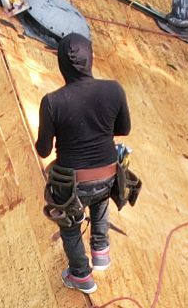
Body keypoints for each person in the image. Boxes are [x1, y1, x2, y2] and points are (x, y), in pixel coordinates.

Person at [34, 31, 130, 292]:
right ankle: (101, 251)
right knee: (100, 197)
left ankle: (80, 275)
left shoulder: (52, 102)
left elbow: (44, 151)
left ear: (62, 66)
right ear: (91, 59)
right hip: (109, 176)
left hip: (73, 185)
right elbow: (124, 129)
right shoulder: (114, 89)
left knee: (69, 222)